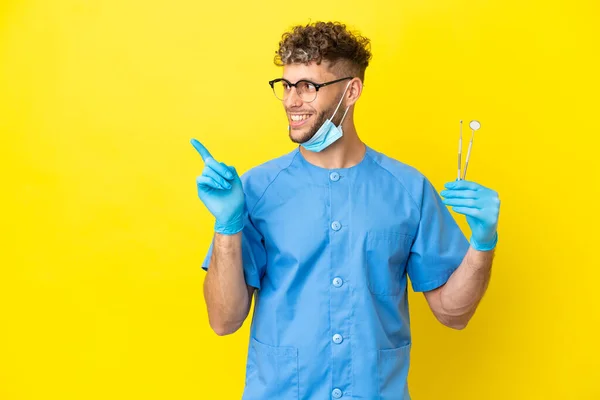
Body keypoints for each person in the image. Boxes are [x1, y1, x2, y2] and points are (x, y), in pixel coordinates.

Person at [191, 21, 500, 400]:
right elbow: (224, 321)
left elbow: (453, 314)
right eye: (287, 86)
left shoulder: (407, 189)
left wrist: (482, 244)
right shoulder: (256, 189)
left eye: (308, 86)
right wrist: (227, 225)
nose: (292, 100)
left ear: (351, 91)